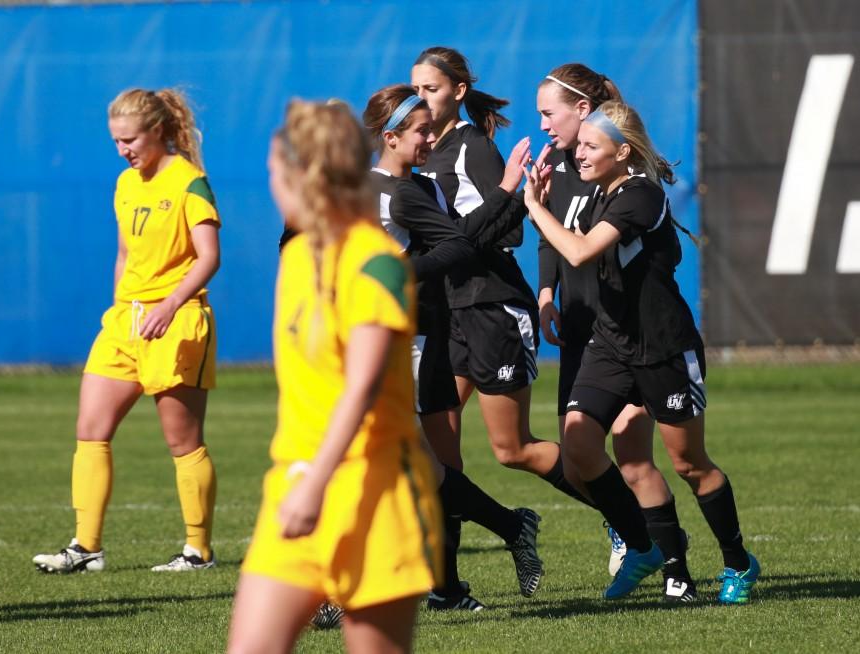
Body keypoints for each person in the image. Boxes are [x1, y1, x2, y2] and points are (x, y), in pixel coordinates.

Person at [523, 100, 761, 604]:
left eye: (591, 146)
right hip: (611, 344)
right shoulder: (596, 193)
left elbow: (580, 251)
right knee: (582, 446)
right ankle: (656, 555)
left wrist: (534, 206)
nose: (579, 155)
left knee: (689, 463)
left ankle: (738, 562)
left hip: (662, 347)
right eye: (580, 144)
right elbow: (568, 250)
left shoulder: (641, 195)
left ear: (622, 152)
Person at [228, 100, 443, 654]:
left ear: (307, 177)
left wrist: (318, 483)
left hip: (372, 493)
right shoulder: (297, 258)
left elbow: (362, 387)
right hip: (295, 486)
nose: (272, 187)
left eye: (276, 174)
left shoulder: (377, 263)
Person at [363, 84, 542, 611]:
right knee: (413, 467)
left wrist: (511, 196)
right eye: (420, 130)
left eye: (429, 126)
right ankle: (500, 537)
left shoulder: (411, 192)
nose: (429, 136)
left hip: (418, 342)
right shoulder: (352, 189)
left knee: (423, 465)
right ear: (390, 137)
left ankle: (419, 584)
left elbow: (461, 243)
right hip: (368, 344)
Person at [33, 88, 220, 574]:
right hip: (126, 321)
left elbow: (209, 257)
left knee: (183, 441)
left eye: (130, 139)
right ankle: (86, 547)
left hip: (177, 320)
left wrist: (170, 304)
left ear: (158, 131)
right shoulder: (125, 182)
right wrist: (121, 307)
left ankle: (198, 551)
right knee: (90, 430)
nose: (123, 149)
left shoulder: (189, 182)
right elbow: (124, 254)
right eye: (116, 141)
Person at [410, 48, 599, 526]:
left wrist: (450, 242)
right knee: (437, 449)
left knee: (511, 449)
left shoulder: (473, 147)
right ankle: (445, 583)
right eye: (416, 91)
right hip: (449, 313)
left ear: (459, 91)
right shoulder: (424, 150)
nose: (422, 99)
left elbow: (513, 226)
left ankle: (625, 517)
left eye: (431, 89)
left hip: (490, 306)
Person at [535, 64, 695, 600]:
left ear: (585, 114)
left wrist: (531, 208)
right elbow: (559, 243)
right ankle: (642, 541)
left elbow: (591, 245)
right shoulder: (570, 170)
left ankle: (676, 563)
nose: (543, 126)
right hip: (591, 330)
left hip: (641, 337)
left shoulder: (624, 183)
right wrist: (547, 292)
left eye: (548, 112)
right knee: (580, 453)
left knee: (638, 458)